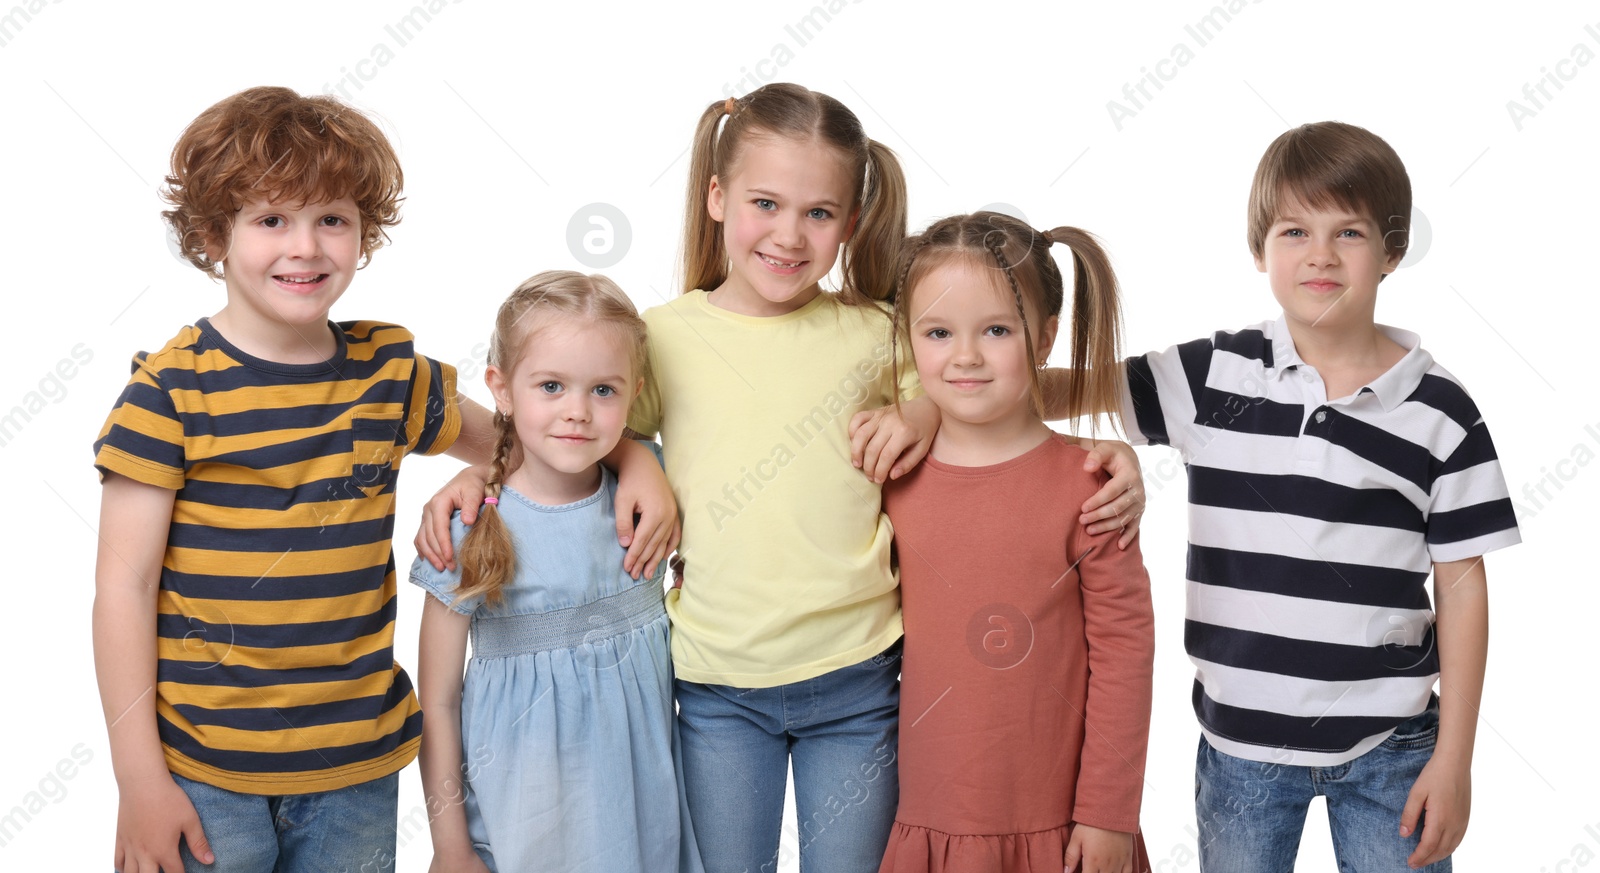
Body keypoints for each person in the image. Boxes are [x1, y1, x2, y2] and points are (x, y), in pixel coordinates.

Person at [416, 83, 1142, 873]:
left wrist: (1075, 436)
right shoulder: (665, 337)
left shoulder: (873, 331)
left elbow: (986, 383)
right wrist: (549, 471)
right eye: (767, 202)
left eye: (819, 214)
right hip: (719, 688)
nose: (790, 235)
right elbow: (576, 425)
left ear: (850, 224)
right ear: (718, 197)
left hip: (859, 683)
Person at [90, 87, 675, 873]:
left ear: (363, 232)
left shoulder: (389, 372)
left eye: (331, 219)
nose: (306, 246)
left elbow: (525, 439)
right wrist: (139, 780)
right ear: (210, 235)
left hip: (356, 770)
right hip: (204, 770)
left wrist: (633, 457)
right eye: (271, 220)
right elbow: (121, 591)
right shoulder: (169, 393)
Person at [1114, 122, 1520, 870]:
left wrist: (1456, 758)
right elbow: (1051, 389)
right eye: (1295, 229)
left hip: (1393, 748)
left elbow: (1463, 585)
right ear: (1260, 247)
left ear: (1391, 250)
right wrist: (924, 399)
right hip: (1241, 743)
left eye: (1349, 232)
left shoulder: (1439, 409)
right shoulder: (1214, 377)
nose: (1321, 253)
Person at [876, 212, 1154, 873]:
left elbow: (1125, 656)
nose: (965, 355)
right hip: (932, 812)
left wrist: (1109, 812)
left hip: (1062, 828)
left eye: (996, 330)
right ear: (910, 339)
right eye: (938, 332)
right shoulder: (891, 474)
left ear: (1045, 335)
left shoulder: (1091, 487)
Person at [410, 271, 702, 873]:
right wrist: (450, 848)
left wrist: (644, 458)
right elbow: (437, 701)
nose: (577, 411)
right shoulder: (469, 528)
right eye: (551, 386)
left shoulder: (650, 503)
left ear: (634, 392)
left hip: (642, 821)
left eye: (603, 390)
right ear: (502, 389)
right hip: (525, 822)